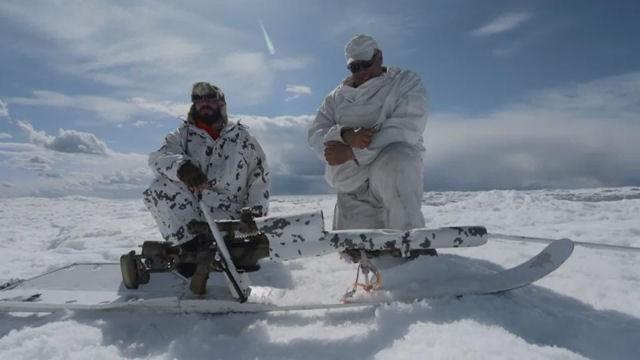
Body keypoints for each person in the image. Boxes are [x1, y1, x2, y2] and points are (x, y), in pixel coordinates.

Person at [308, 34, 434, 259]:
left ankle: (414, 249)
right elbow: (316, 134)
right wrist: (345, 134)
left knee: (399, 157)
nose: (361, 72)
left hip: (391, 178)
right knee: (358, 257)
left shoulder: (404, 82)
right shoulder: (335, 99)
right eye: (355, 67)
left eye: (366, 64)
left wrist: (351, 151)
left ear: (379, 57)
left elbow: (405, 128)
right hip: (351, 186)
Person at [143, 82, 270, 275]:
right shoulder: (180, 136)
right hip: (194, 216)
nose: (203, 102)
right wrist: (182, 167)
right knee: (158, 188)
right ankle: (190, 252)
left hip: (232, 217)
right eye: (197, 98)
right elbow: (158, 158)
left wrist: (253, 213)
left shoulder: (244, 139)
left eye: (209, 97)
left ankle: (237, 253)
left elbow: (260, 177)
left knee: (247, 253)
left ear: (221, 102)